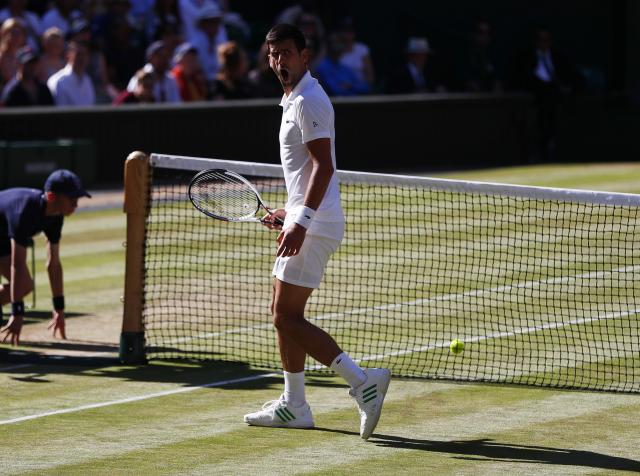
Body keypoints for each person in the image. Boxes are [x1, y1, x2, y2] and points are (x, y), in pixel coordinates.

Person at [243, 23, 390, 441]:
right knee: (283, 315)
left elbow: (324, 167)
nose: (279, 61)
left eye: (286, 53)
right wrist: (289, 212)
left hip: (316, 224)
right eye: (273, 54)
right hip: (306, 218)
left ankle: (363, 381)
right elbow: (306, 172)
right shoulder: (293, 99)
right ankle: (294, 405)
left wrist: (301, 222)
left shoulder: (309, 100)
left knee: (285, 316)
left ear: (304, 56)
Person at [0, 169, 91, 345]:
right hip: (3, 235)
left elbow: (53, 264)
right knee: (23, 283)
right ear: (51, 197)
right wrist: (17, 312)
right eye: (71, 198)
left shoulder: (56, 217)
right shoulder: (24, 212)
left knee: (25, 285)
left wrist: (59, 309)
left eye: (77, 198)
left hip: (2, 238)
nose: (75, 204)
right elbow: (17, 264)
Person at [315, 32, 369, 96]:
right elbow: (337, 91)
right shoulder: (323, 67)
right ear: (328, 47)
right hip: (335, 101)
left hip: (354, 100)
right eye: (334, 44)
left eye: (339, 43)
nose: (337, 47)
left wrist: (351, 86)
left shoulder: (345, 68)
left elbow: (366, 87)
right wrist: (353, 87)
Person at [47, 39, 96, 106]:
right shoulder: (58, 81)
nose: (81, 58)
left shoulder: (87, 80)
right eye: (78, 54)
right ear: (68, 55)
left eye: (84, 54)